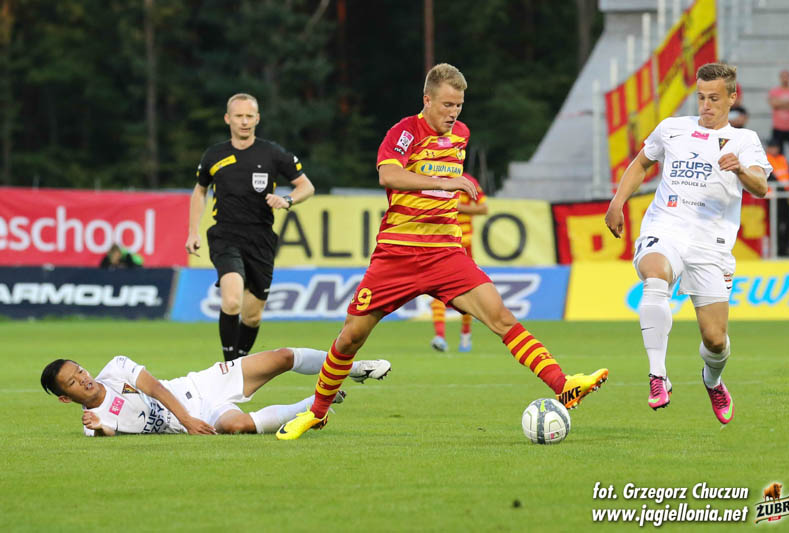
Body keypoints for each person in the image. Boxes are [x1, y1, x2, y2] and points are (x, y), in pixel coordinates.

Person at [276, 63, 608, 440]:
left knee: (500, 316)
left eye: (459, 106)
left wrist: (450, 190)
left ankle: (563, 384)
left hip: (445, 253)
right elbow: (388, 175)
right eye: (447, 105)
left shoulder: (461, 135)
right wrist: (445, 182)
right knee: (351, 337)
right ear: (427, 100)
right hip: (398, 255)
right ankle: (317, 413)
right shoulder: (405, 132)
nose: (453, 114)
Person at [604, 63, 771, 424]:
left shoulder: (745, 141)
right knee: (654, 275)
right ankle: (657, 375)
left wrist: (740, 169)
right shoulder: (672, 129)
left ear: (732, 97)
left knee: (715, 340)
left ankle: (713, 380)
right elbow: (641, 163)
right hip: (666, 226)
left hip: (711, 244)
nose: (706, 105)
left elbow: (761, 187)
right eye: (701, 97)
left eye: (714, 98)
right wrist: (617, 202)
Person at [185, 93, 315, 361]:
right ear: (227, 119)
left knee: (252, 316)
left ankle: (239, 361)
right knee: (232, 300)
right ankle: (229, 367)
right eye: (238, 116)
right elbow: (200, 191)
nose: (244, 122)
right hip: (225, 235)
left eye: (249, 116)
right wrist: (193, 231)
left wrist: (287, 200)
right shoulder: (214, 155)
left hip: (261, 239)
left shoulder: (273, 153)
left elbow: (306, 186)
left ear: (257, 118)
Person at [40, 348, 391, 436]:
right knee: (237, 426)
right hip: (204, 415)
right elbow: (104, 432)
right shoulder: (92, 422)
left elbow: (156, 388)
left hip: (200, 386)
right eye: (72, 382)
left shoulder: (116, 367)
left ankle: (355, 368)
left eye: (79, 370)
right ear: (65, 398)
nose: (83, 379)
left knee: (283, 358)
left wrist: (186, 420)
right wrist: (101, 430)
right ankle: (315, 404)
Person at [430, 172, 488, 353]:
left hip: (463, 243)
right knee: (435, 287)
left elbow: (483, 208)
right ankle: (440, 336)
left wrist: (456, 206)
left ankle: (465, 334)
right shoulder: (432, 178)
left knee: (467, 291)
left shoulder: (468, 181)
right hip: (440, 242)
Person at [765, 138, 789, 257]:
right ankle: (778, 249)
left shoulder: (782, 159)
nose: (774, 149)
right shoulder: (765, 159)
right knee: (776, 224)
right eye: (772, 147)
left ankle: (784, 248)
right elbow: (770, 177)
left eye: (776, 147)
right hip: (772, 197)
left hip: (784, 196)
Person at [768, 69, 789, 176]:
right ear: (780, 78)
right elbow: (774, 104)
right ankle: (778, 177)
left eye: (787, 77)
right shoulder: (775, 91)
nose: (785, 79)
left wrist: (780, 103)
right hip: (778, 128)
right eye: (783, 77)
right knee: (777, 154)